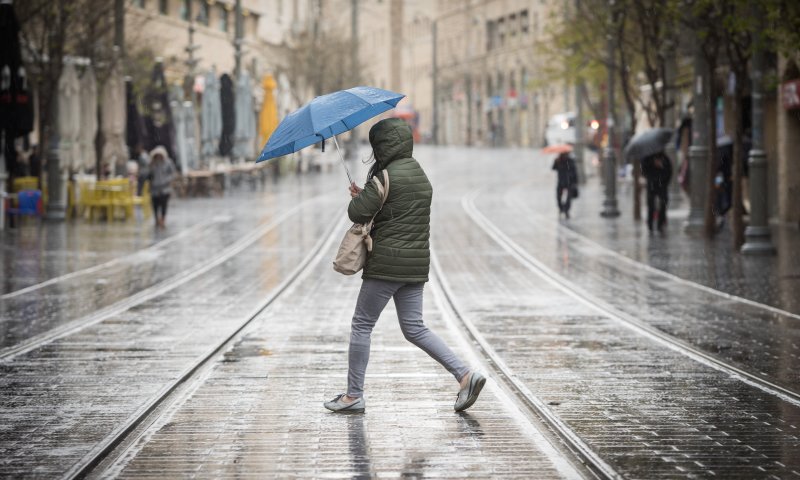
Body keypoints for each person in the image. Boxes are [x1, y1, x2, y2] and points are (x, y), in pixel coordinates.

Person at [324, 118, 485, 414]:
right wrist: (370, 195)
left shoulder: (384, 177)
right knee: (414, 327)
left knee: (362, 325)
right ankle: (464, 375)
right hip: (415, 266)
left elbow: (356, 213)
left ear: (382, 146)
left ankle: (352, 395)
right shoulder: (419, 174)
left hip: (386, 265)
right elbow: (398, 208)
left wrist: (361, 198)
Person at [640, 151, 673, 233]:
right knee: (651, 205)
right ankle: (650, 224)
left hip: (662, 183)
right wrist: (652, 163)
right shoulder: (647, 158)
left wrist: (661, 166)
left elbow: (669, 171)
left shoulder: (664, 158)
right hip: (651, 183)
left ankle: (660, 223)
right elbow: (644, 170)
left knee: (664, 203)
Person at [148, 145, 175, 229]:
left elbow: (172, 173)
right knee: (155, 205)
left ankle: (163, 219)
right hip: (155, 188)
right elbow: (149, 174)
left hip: (164, 188)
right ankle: (156, 219)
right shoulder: (152, 163)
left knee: (164, 205)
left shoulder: (168, 162)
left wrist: (167, 179)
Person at [552, 151, 578, 218]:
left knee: (569, 198)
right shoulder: (558, 160)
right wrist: (556, 162)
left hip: (569, 181)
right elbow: (553, 168)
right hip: (561, 181)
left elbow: (574, 171)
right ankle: (561, 208)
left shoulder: (570, 161)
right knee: (558, 197)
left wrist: (575, 182)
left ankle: (566, 210)